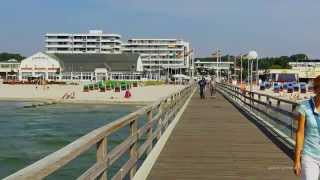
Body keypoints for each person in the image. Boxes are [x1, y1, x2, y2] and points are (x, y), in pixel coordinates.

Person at [294, 75, 320, 180]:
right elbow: (300, 133)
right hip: (310, 155)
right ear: (315, 89)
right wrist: (297, 160)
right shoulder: (305, 106)